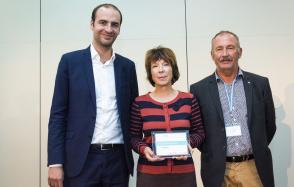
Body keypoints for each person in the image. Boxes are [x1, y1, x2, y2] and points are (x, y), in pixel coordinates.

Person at [47, 4, 138, 187]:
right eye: (102, 22)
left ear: (119, 29)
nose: (108, 29)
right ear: (92, 24)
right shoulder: (69, 62)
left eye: (114, 24)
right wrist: (55, 162)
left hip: (118, 160)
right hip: (80, 159)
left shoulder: (127, 67)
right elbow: (57, 115)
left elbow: (134, 113)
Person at [190, 31, 276, 187]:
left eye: (230, 48)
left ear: (240, 52)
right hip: (218, 170)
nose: (224, 54)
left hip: (253, 167)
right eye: (219, 49)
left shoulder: (260, 84)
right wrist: (215, 152)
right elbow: (198, 130)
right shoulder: (199, 89)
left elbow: (269, 126)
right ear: (212, 54)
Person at [130, 46, 205, 187]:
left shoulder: (189, 99)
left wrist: (188, 144)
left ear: (173, 69)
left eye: (166, 64)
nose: (161, 70)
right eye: (155, 66)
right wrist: (144, 149)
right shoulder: (140, 103)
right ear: (150, 72)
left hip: (184, 173)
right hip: (149, 175)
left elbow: (199, 132)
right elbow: (133, 137)